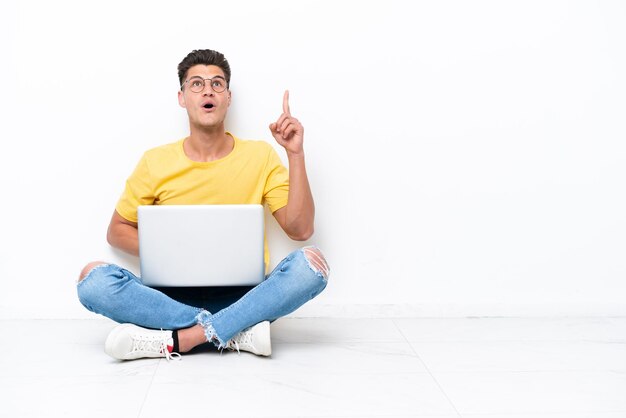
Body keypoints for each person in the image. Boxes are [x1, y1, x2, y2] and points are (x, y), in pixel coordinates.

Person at [76, 49, 329, 360]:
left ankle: (181, 339)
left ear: (228, 97)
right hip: (168, 300)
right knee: (92, 281)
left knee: (312, 266)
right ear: (182, 97)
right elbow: (116, 231)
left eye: (217, 84)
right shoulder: (155, 161)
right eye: (196, 84)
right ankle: (234, 332)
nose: (208, 90)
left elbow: (301, 229)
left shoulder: (260, 156)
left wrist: (295, 154)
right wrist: (174, 250)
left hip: (245, 296)